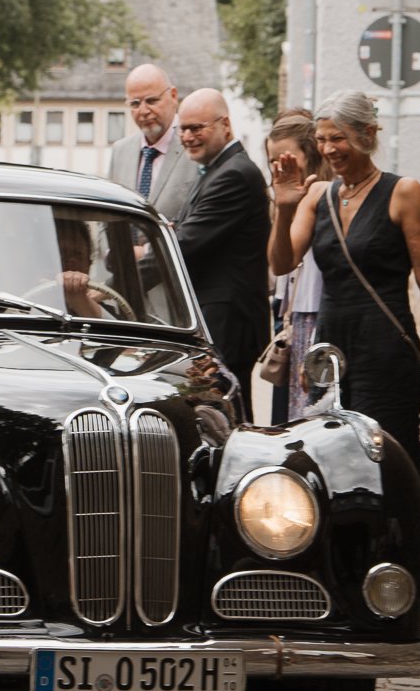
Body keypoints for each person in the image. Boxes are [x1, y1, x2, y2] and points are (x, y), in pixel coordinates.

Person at [270, 89, 420, 475]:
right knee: (334, 461)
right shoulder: (315, 196)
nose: (328, 149)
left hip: (386, 348)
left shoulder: (403, 192)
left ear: (367, 134)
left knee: (392, 458)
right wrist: (283, 208)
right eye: (322, 139)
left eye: (338, 137)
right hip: (331, 349)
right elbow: (281, 263)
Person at [173, 89, 270, 417]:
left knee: (224, 419)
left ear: (225, 125)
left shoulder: (234, 175)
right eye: (182, 129)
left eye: (196, 128)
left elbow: (184, 244)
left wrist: (138, 262)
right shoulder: (216, 170)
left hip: (226, 325)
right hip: (218, 321)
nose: (187, 137)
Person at [264, 111, 327, 422]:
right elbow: (278, 264)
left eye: (287, 159)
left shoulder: (324, 194)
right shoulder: (289, 198)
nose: (280, 168)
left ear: (311, 156)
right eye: (273, 161)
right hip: (297, 316)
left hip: (321, 315)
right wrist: (283, 207)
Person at [107, 63, 197, 224]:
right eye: (135, 104)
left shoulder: (195, 147)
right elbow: (105, 215)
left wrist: (148, 250)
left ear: (174, 96)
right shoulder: (120, 151)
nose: (143, 111)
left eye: (151, 101)